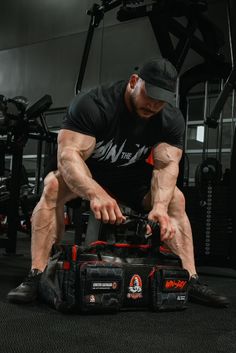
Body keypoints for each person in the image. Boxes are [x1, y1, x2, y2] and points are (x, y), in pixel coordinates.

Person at [7, 57, 229, 307]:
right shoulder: (94, 104)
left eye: (161, 100)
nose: (154, 105)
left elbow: (166, 166)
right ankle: (37, 275)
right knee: (53, 186)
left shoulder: (169, 118)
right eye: (150, 95)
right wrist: (95, 193)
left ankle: (189, 279)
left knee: (175, 199)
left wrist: (159, 207)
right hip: (88, 171)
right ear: (134, 82)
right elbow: (69, 157)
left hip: (128, 177)